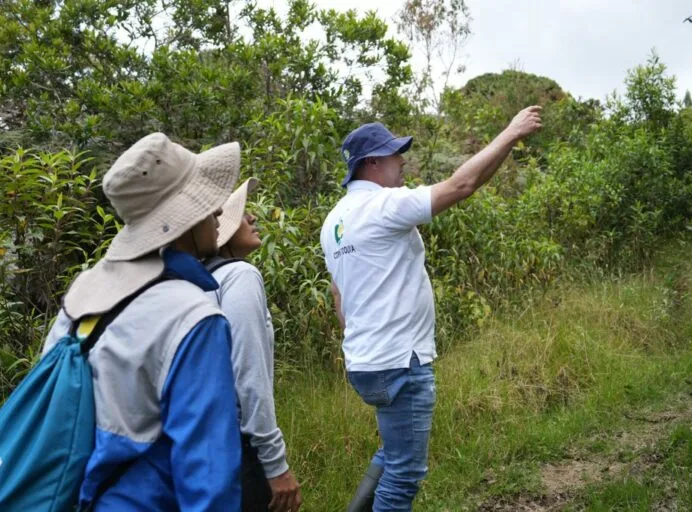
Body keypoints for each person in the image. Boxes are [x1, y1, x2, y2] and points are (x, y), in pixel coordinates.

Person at [320, 107, 543, 511]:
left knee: (392, 453)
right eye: (394, 155)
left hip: (364, 362)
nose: (402, 161)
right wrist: (510, 133)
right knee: (404, 476)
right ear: (371, 164)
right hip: (399, 363)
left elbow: (339, 294)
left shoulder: (335, 220)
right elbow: (462, 185)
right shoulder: (384, 205)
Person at [43, 132, 244, 511]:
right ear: (183, 217)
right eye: (207, 202)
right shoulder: (194, 317)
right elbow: (208, 477)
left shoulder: (83, 293)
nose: (219, 211)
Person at [209, 178, 303, 512]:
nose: (251, 219)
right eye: (240, 215)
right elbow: (249, 375)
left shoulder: (194, 281)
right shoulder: (239, 276)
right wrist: (276, 465)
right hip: (240, 448)